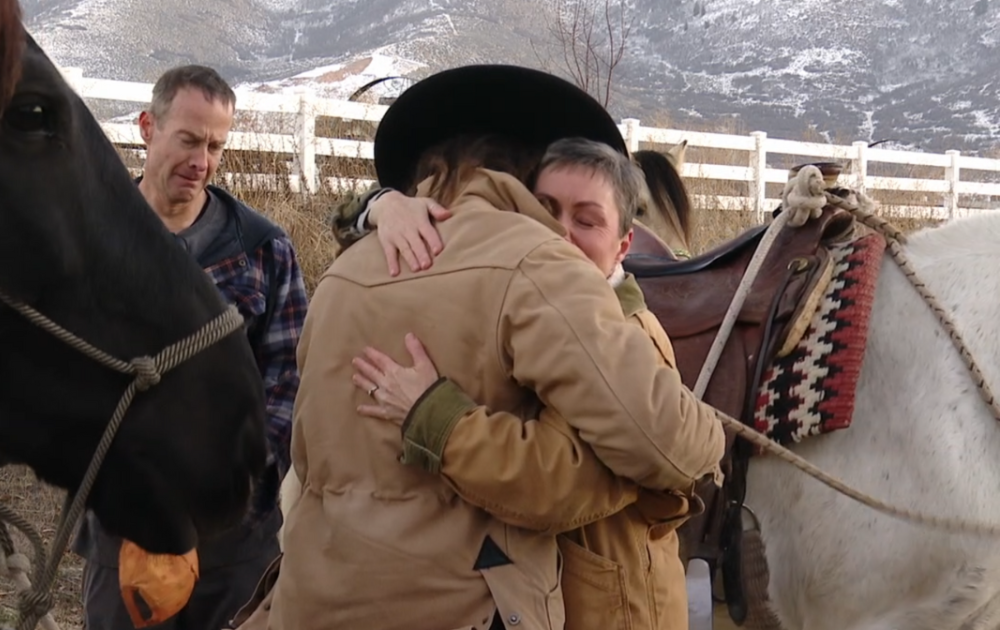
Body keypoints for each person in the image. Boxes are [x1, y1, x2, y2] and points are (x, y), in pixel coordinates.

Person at [233, 64, 725, 630]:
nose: (559, 228)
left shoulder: (342, 276)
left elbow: (307, 452)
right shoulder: (535, 262)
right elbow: (666, 446)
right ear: (524, 173)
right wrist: (705, 439)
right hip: (467, 606)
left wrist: (373, 207)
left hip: (312, 602)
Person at [343, 136, 705, 630]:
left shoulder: (621, 340)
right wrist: (381, 205)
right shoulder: (525, 302)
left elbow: (555, 482)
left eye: (587, 219)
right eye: (545, 208)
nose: (558, 231)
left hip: (612, 609)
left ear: (624, 245)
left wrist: (432, 416)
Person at [72, 64, 309, 630]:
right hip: (121, 528)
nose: (202, 161)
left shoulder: (261, 249)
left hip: (236, 537)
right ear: (147, 127)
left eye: (215, 146)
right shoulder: (86, 239)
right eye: (188, 140)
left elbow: (291, 380)